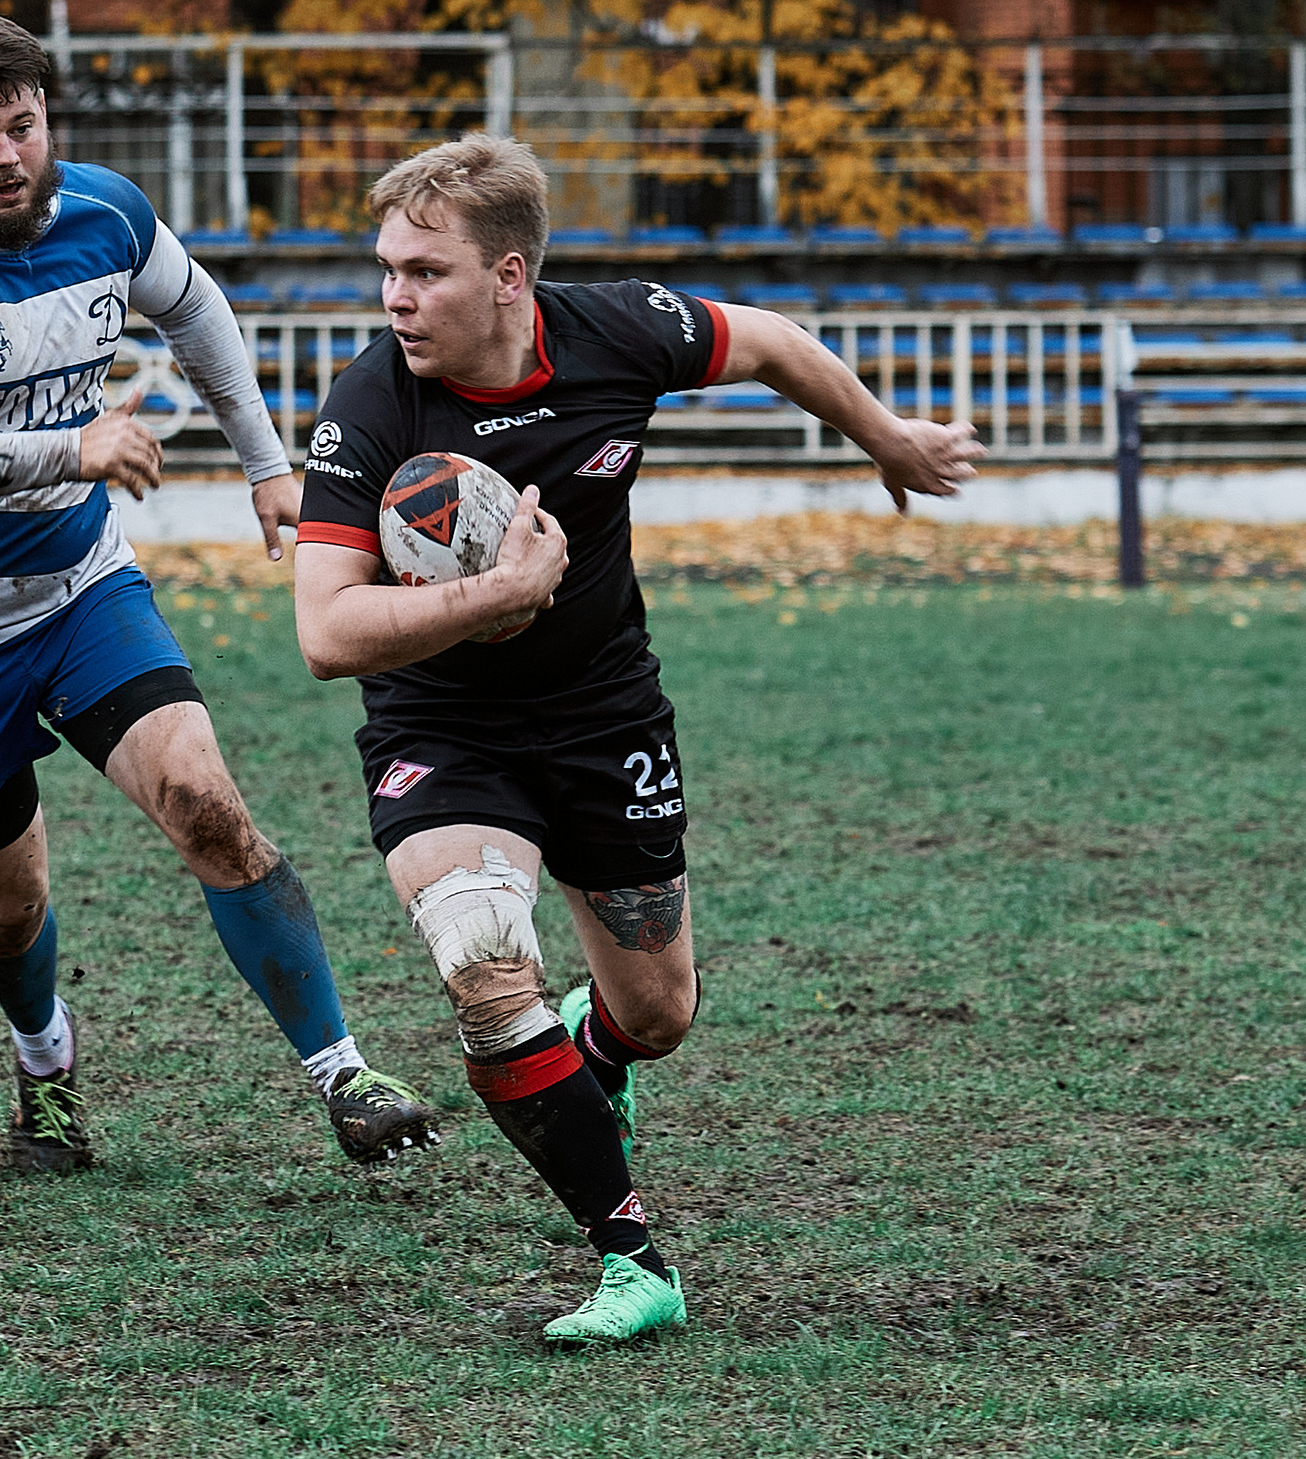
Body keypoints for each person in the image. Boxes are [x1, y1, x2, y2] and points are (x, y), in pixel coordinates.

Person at [292, 135, 984, 1342]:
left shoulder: (617, 331)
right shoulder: (370, 405)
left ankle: (593, 1046)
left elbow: (769, 341)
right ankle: (632, 1260)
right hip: (443, 726)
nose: (394, 297)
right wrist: (491, 597)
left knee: (658, 1012)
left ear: (508, 276)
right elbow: (325, 629)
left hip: (604, 714)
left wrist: (884, 436)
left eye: (425, 271)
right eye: (387, 268)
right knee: (484, 960)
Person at [0, 10, 438, 1173]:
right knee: (6, 905)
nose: (8, 155)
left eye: (22, 124)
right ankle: (44, 1063)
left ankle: (344, 1073)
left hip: (78, 588)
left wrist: (265, 463)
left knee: (205, 801)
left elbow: (194, 308)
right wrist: (69, 448)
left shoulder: (105, 210)